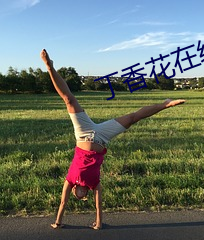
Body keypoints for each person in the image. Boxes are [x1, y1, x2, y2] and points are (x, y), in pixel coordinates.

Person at [40, 49, 186, 230]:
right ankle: (166, 104)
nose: (79, 194)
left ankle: (49, 67)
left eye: (77, 195)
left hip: (82, 132)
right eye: (81, 196)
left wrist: (58, 222)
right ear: (85, 194)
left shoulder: (70, 180)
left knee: (69, 99)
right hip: (102, 137)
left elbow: (62, 203)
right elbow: (98, 205)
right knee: (133, 118)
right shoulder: (94, 183)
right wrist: (99, 223)